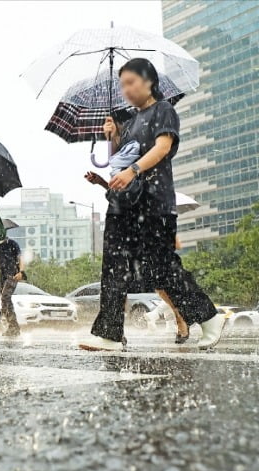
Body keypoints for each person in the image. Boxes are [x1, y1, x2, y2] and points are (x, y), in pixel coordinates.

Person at [78, 58, 225, 351]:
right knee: (114, 266)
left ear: (149, 81)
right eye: (122, 85)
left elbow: (162, 148)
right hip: (124, 205)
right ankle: (109, 333)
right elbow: (121, 160)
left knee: (161, 268)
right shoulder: (130, 122)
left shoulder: (163, 110)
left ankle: (208, 318)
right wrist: (113, 137)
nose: (126, 90)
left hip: (154, 203)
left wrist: (133, 171)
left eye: (131, 82)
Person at [0, 238, 24, 337]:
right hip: (3, 276)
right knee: (4, 300)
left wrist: (21, 272)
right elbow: (0, 264)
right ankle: (12, 326)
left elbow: (20, 258)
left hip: (13, 274)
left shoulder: (12, 243)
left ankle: (14, 327)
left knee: (6, 297)